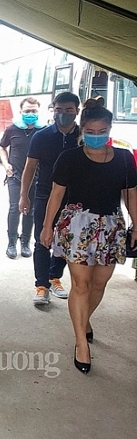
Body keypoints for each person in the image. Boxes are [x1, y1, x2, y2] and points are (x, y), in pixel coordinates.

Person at [40, 98, 137, 374]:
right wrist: (47, 227)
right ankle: (81, 343)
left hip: (111, 228)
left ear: (109, 130)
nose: (96, 137)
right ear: (82, 130)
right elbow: (55, 195)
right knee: (80, 285)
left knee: (99, 284)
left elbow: (131, 195)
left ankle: (85, 320)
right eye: (91, 132)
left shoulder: (124, 159)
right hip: (77, 226)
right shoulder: (69, 158)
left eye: (102, 132)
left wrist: (136, 226)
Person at [19, 92, 80, 305]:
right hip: (44, 195)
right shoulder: (42, 136)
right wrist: (23, 196)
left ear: (77, 112)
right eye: (59, 110)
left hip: (75, 199)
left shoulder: (82, 136)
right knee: (42, 240)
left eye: (69, 110)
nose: (63, 114)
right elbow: (29, 168)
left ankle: (55, 278)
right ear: (53, 110)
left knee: (65, 241)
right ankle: (41, 285)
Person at [0, 97, 45, 259]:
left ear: (38, 112)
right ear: (21, 112)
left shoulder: (43, 131)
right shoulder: (12, 129)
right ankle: (11, 243)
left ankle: (25, 242)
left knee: (30, 210)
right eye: (27, 111)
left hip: (36, 178)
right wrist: (6, 164)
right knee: (14, 208)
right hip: (15, 176)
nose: (30, 114)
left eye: (33, 111)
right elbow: (2, 148)